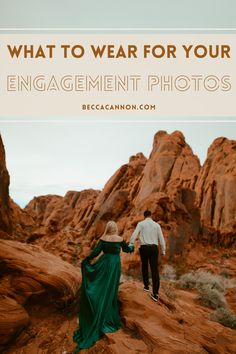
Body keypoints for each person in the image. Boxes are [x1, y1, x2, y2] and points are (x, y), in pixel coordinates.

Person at [73, 221, 134, 353]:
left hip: (104, 263)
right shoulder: (119, 239)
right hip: (114, 265)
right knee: (110, 290)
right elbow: (127, 249)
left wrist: (87, 260)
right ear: (115, 229)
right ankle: (107, 315)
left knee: (101, 288)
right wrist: (132, 246)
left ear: (107, 228)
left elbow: (95, 253)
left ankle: (97, 311)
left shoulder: (103, 239)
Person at [129, 210, 166, 302]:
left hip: (144, 248)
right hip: (154, 248)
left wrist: (131, 244)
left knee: (144, 266)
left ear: (144, 216)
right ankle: (155, 294)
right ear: (151, 216)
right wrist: (163, 250)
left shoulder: (141, 224)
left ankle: (146, 286)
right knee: (154, 270)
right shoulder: (157, 225)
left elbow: (134, 234)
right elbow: (161, 238)